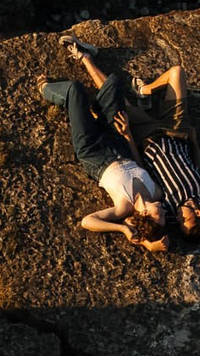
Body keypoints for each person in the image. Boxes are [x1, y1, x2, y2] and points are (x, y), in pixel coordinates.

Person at [40, 41, 174, 251]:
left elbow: (87, 221)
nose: (164, 212)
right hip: (119, 143)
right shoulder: (156, 193)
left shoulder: (124, 208)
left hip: (92, 151)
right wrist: (127, 134)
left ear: (146, 215)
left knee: (75, 90)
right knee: (114, 83)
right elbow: (139, 162)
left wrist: (124, 230)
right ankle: (98, 106)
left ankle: (45, 89)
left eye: (161, 216)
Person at [130, 63, 200, 241]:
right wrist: (194, 142)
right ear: (199, 213)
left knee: (109, 99)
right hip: (176, 133)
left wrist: (148, 245)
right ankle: (144, 91)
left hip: (147, 140)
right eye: (185, 218)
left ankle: (85, 58)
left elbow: (140, 224)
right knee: (177, 72)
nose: (179, 218)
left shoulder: (166, 213)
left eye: (180, 223)